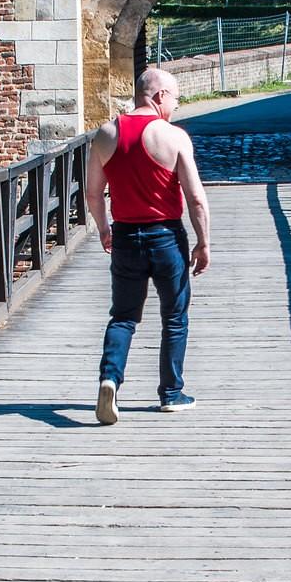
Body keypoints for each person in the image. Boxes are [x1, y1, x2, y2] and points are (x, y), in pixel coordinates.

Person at [84, 67, 212, 423]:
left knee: (123, 316)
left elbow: (93, 193)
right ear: (158, 96)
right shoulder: (173, 137)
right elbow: (196, 198)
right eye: (175, 98)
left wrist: (103, 228)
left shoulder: (106, 134)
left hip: (125, 236)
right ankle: (171, 393)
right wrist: (203, 243)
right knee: (174, 316)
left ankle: (110, 379)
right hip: (166, 237)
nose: (176, 105)